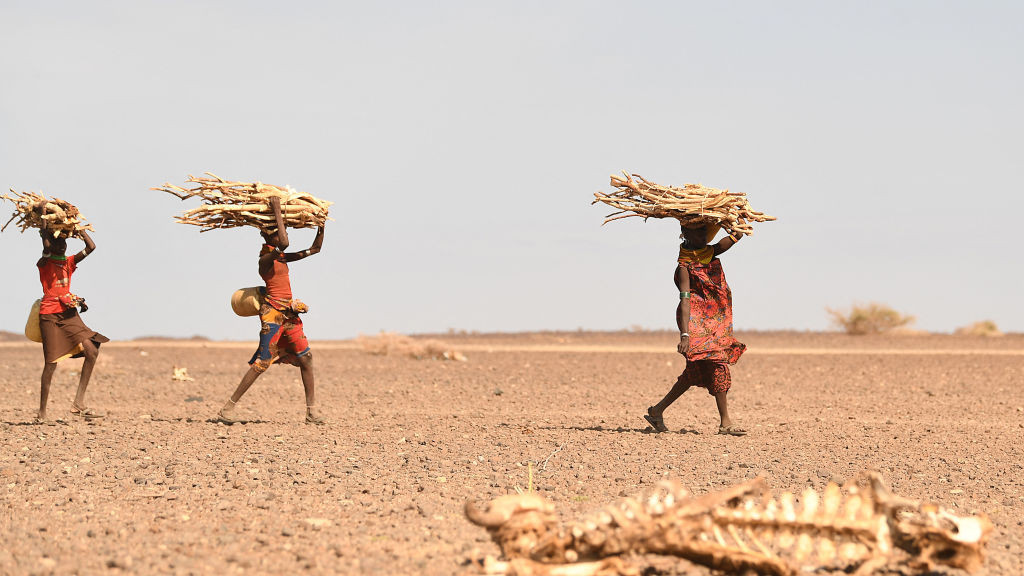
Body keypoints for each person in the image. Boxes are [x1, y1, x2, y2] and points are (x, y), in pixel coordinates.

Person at [217, 197, 326, 425]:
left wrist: (320, 224)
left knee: (306, 358)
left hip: (289, 314)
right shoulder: (266, 259)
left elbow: (316, 249)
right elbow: (284, 243)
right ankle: (228, 408)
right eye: (278, 232)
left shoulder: (282, 257)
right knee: (262, 363)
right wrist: (277, 208)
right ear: (269, 236)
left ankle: (311, 412)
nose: (283, 235)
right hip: (273, 315)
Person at [644, 220, 748, 436]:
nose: (702, 236)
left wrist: (736, 221)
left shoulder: (708, 253)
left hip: (717, 321)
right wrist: (685, 335)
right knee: (718, 365)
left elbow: (732, 239)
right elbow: (685, 301)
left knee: (694, 373)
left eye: (704, 232)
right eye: (697, 232)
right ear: (684, 233)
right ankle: (726, 423)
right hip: (697, 324)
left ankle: (657, 410)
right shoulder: (684, 267)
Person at [36, 227, 109, 423]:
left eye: (64, 243)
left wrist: (79, 229)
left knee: (92, 350)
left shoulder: (69, 262)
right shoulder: (45, 262)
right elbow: (46, 245)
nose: (62, 246)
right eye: (57, 243)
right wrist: (43, 219)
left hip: (68, 313)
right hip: (50, 316)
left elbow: (91, 246)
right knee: (51, 364)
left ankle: (78, 403)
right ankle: (42, 414)